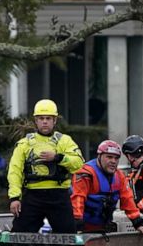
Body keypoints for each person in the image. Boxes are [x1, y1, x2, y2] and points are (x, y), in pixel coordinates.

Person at [7, 99, 85, 233]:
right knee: (19, 233)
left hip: (59, 196)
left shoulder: (65, 141)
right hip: (33, 196)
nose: (44, 121)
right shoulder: (24, 144)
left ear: (54, 121)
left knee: (68, 235)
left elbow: (78, 164)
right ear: (35, 121)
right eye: (41, 118)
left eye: (48, 118)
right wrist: (15, 198)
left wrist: (57, 157)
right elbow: (15, 172)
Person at [71, 140, 143, 235]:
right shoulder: (86, 173)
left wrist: (138, 223)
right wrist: (77, 221)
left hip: (105, 227)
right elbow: (78, 198)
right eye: (109, 157)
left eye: (116, 158)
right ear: (99, 156)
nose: (113, 161)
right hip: (84, 227)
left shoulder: (119, 176)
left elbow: (128, 200)